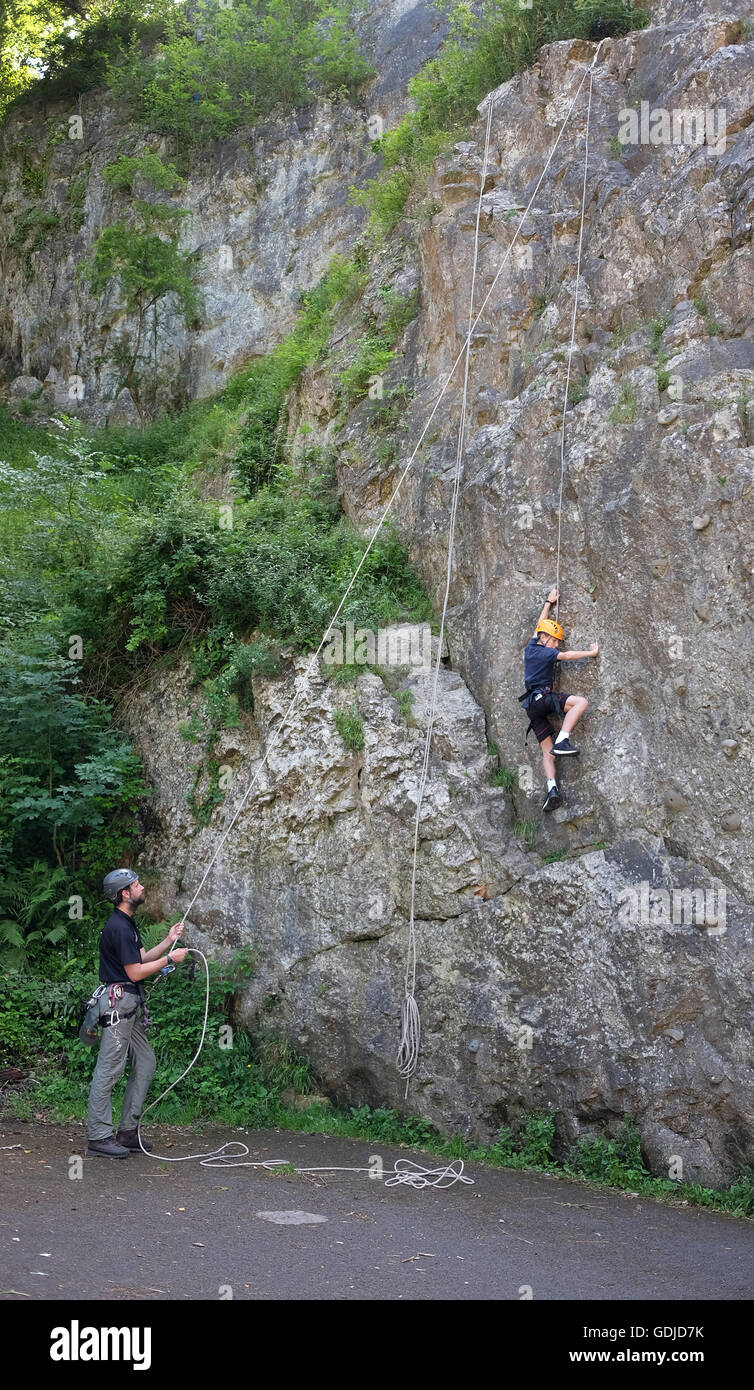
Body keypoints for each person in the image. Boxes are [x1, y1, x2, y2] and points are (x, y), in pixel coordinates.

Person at [87, 869, 187, 1159]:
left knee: (145, 1062)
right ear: (125, 894)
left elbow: (140, 958)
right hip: (118, 1007)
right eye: (136, 885)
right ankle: (99, 1136)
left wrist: (168, 941)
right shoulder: (117, 927)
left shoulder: (127, 924)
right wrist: (170, 959)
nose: (142, 887)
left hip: (130, 1007)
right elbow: (134, 972)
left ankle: (127, 1131)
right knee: (109, 1069)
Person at [519, 588, 599, 813]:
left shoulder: (531, 646)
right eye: (555, 641)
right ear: (546, 639)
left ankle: (552, 789)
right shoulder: (545, 652)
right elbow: (565, 656)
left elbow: (539, 626)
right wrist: (590, 653)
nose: (557, 645)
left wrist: (548, 602)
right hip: (543, 698)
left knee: (547, 751)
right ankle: (563, 740)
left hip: (532, 708)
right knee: (580, 702)